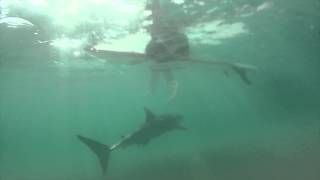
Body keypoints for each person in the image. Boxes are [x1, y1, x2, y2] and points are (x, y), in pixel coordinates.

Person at [85, 0, 256, 100]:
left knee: (159, 66)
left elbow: (161, 52)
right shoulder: (162, 46)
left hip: (163, 53)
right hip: (163, 54)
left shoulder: (161, 43)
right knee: (159, 66)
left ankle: (156, 85)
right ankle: (156, 84)